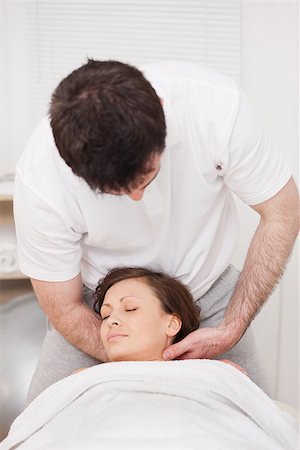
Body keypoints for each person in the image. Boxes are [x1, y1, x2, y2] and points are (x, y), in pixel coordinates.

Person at [13, 59, 299, 402]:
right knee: (39, 425)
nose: (137, 198)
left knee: (259, 422)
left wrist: (231, 327)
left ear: (162, 111)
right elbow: (64, 305)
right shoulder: (41, 178)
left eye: (147, 177)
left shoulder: (216, 109)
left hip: (208, 295)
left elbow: (281, 213)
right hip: (96, 308)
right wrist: (153, 367)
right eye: (114, 192)